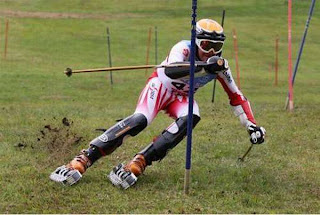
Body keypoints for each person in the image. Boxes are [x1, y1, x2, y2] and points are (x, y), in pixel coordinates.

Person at [50, 18, 266, 189]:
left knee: (192, 117)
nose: (211, 51)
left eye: (217, 46)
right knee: (140, 120)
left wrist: (252, 125)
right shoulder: (183, 48)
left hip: (183, 97)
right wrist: (203, 67)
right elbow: (172, 70)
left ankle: (140, 161)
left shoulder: (220, 66)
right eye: (206, 45)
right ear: (196, 41)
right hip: (161, 87)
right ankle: (85, 158)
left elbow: (236, 96)